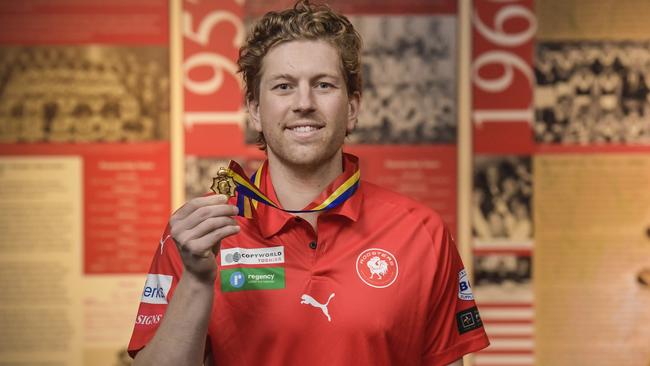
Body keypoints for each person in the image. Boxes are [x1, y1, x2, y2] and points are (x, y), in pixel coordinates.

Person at [128, 1, 489, 365]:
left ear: (352, 108)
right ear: (254, 109)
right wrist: (197, 279)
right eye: (284, 86)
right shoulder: (198, 233)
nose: (304, 103)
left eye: (324, 84)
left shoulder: (421, 232)